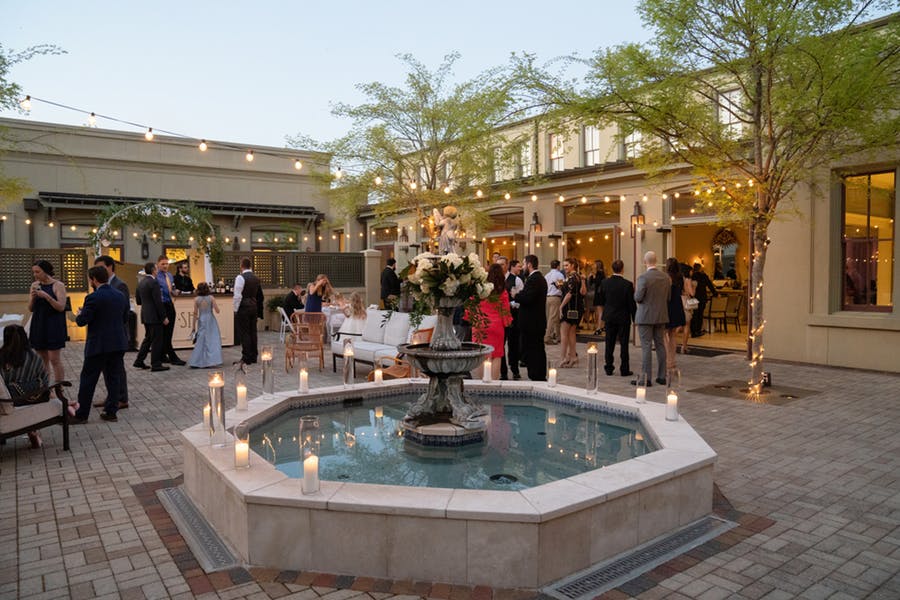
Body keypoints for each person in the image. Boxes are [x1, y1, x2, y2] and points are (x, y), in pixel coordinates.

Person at [71, 266, 129, 423]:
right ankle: (111, 412)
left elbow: (83, 321)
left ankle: (82, 414)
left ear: (94, 279)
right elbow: (125, 317)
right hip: (117, 343)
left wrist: (79, 314)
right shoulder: (120, 295)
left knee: (88, 380)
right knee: (113, 378)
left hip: (98, 345)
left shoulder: (93, 298)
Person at [1, 324, 52, 448]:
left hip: (8, 401)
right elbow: (45, 382)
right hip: (32, 398)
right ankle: (32, 432)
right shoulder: (34, 357)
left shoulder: (1, 357)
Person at [93, 256, 130, 410]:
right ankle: (112, 396)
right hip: (103, 334)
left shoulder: (120, 285)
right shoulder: (100, 285)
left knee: (116, 368)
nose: (99, 271)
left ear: (110, 267)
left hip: (115, 334)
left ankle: (121, 397)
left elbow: (125, 311)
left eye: (101, 267)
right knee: (106, 368)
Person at [468, 263, 511, 381]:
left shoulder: (480, 288)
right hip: (496, 325)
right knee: (496, 355)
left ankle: (482, 382)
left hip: (480, 324)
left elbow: (471, 304)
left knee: (481, 354)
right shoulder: (502, 291)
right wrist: (507, 323)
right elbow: (506, 311)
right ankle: (494, 384)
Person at [28, 259, 67, 385]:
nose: (35, 275)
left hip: (54, 324)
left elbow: (61, 307)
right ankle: (46, 389)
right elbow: (30, 308)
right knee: (42, 359)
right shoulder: (34, 285)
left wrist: (46, 296)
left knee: (54, 359)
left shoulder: (58, 285)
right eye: (34, 272)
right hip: (39, 323)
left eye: (38, 272)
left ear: (46, 272)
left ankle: (58, 388)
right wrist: (33, 298)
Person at [633, 251, 670, 386]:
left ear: (645, 262)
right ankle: (662, 376)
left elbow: (638, 297)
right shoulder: (665, 277)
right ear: (656, 260)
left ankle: (646, 378)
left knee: (646, 346)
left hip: (646, 316)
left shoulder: (643, 278)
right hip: (661, 315)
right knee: (660, 345)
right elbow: (668, 297)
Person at [598, 260, 636, 376]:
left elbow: (602, 299)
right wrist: (635, 318)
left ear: (612, 269)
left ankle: (608, 367)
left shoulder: (605, 283)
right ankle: (624, 368)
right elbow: (631, 303)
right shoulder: (627, 284)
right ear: (622, 269)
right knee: (624, 344)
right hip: (623, 317)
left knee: (609, 342)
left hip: (609, 316)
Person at [517, 254, 548, 381]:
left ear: (529, 265)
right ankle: (537, 373)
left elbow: (527, 298)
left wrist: (516, 295)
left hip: (533, 323)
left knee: (534, 349)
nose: (522, 267)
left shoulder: (535, 279)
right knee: (536, 348)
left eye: (523, 264)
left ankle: (537, 375)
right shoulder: (536, 278)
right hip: (535, 322)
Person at [134, 263, 169, 371]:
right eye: (156, 268)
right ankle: (156, 364)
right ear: (154, 270)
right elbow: (158, 302)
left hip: (145, 314)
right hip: (155, 316)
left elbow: (138, 301)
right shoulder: (154, 282)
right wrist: (164, 317)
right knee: (157, 339)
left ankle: (139, 361)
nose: (157, 269)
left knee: (148, 338)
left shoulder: (141, 282)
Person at [233, 257, 264, 366]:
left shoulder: (240, 277)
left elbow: (237, 295)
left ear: (241, 265)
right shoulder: (256, 278)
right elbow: (258, 294)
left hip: (244, 307)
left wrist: (235, 309)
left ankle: (246, 357)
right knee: (253, 331)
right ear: (250, 265)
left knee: (244, 332)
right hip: (253, 306)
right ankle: (254, 356)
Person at [156, 256, 185, 365]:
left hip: (170, 304)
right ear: (158, 264)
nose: (165, 266)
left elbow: (171, 289)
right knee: (165, 332)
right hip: (162, 305)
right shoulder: (156, 277)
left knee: (169, 331)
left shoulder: (169, 276)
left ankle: (163, 355)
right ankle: (171, 356)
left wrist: (174, 292)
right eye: (163, 264)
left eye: (167, 264)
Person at [559, 257, 586, 368]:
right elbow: (583, 292)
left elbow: (569, 294)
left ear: (573, 266)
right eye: (564, 265)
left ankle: (564, 357)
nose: (565, 267)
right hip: (577, 308)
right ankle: (573, 356)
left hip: (569, 307)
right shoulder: (578, 277)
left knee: (564, 333)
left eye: (567, 265)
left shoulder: (571, 278)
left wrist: (560, 307)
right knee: (571, 333)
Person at [499, 258, 524, 380]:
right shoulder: (495, 280)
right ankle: (503, 372)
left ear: (507, 265)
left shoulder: (516, 280)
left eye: (502, 264)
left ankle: (515, 370)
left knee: (513, 345)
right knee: (501, 345)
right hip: (499, 318)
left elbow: (520, 299)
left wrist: (510, 304)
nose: (500, 267)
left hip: (513, 317)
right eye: (498, 265)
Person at [189, 283, 223, 368]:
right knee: (212, 339)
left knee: (201, 340)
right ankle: (211, 361)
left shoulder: (196, 299)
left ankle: (197, 361)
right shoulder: (211, 298)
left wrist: (193, 327)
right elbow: (217, 311)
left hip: (202, 319)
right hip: (211, 319)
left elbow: (195, 313)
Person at [664, 257, 687, 371]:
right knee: (673, 335)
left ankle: (668, 360)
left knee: (664, 334)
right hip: (677, 305)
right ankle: (672, 360)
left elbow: (666, 294)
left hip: (668, 306)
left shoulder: (667, 278)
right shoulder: (680, 278)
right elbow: (683, 291)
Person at [690, 263, 718, 337]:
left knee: (694, 315)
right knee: (700, 315)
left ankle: (693, 331)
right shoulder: (704, 276)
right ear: (700, 268)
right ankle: (698, 331)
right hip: (702, 297)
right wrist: (715, 294)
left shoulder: (692, 276)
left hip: (694, 297)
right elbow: (710, 285)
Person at [544, 260, 564, 345]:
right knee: (553, 317)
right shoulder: (559, 275)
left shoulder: (547, 275)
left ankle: (559, 336)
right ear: (558, 266)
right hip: (555, 297)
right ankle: (547, 337)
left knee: (553, 317)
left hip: (548, 297)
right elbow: (560, 286)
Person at [681, 263, 697, 354]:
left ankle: (670, 342)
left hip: (679, 301)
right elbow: (692, 293)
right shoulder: (688, 280)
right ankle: (684, 347)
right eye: (691, 270)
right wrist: (694, 286)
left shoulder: (680, 279)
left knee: (678, 324)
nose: (692, 272)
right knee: (686, 324)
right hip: (686, 301)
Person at [590, 260, 607, 335]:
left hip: (599, 294)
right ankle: (602, 326)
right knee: (600, 311)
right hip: (600, 293)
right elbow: (591, 283)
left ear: (597, 265)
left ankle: (599, 328)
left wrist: (593, 276)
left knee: (600, 311)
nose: (593, 266)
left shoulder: (600, 273)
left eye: (594, 264)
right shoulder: (601, 273)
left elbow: (596, 282)